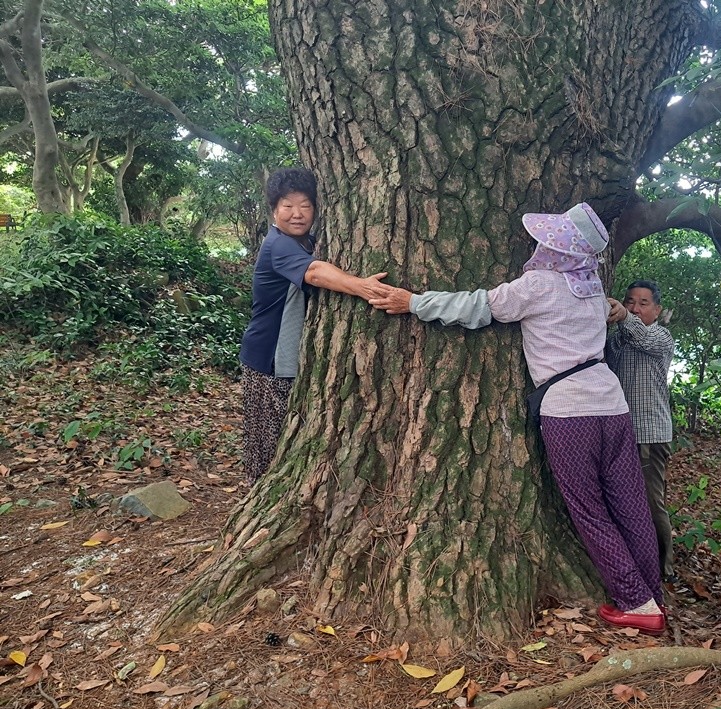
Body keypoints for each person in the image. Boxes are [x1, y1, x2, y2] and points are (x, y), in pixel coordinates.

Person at [369, 203, 666, 635]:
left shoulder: (539, 285)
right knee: (630, 503)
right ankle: (652, 591)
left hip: (569, 413)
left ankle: (638, 604)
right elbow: (609, 311)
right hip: (613, 405)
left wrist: (413, 301)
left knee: (590, 510)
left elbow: (477, 307)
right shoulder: (591, 289)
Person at [239, 167, 392, 484]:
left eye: (305, 205)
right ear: (274, 209)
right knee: (269, 441)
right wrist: (361, 287)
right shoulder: (277, 245)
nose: (297, 214)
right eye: (288, 206)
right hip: (268, 359)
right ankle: (261, 495)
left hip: (279, 355)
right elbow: (315, 273)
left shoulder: (304, 241)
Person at [606, 280, 676, 582]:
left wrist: (624, 317)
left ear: (657, 310)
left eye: (643, 303)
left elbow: (644, 339)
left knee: (650, 501)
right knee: (620, 500)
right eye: (630, 301)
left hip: (650, 433)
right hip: (620, 431)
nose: (635, 307)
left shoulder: (661, 336)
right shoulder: (619, 337)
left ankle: (663, 568)